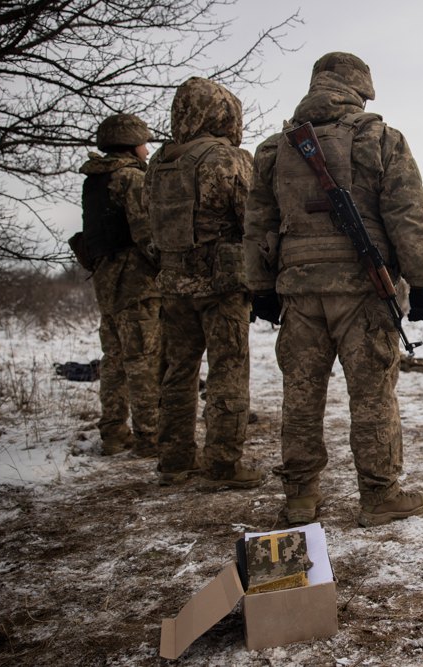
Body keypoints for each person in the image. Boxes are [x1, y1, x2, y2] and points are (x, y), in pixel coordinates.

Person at [244, 52, 423, 527]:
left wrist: (260, 287)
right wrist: (422, 279)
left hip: (298, 290)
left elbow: (257, 223)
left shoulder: (276, 147)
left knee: (301, 394)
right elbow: (407, 214)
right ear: (361, 89)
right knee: (372, 394)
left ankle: (300, 498)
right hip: (362, 291)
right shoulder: (380, 138)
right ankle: (378, 496)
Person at [144, 77, 260, 490]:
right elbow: (252, 219)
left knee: (177, 372)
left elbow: (148, 224)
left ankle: (174, 460)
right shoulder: (228, 159)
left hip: (172, 284)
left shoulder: (159, 162)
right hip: (221, 285)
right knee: (228, 369)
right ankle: (222, 466)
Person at [77, 114, 161, 457]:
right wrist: (164, 265)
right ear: (130, 143)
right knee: (143, 358)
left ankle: (113, 432)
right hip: (135, 280)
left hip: (105, 278)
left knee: (113, 358)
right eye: (143, 142)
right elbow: (145, 233)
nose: (146, 148)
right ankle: (149, 436)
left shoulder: (95, 179)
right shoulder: (131, 178)